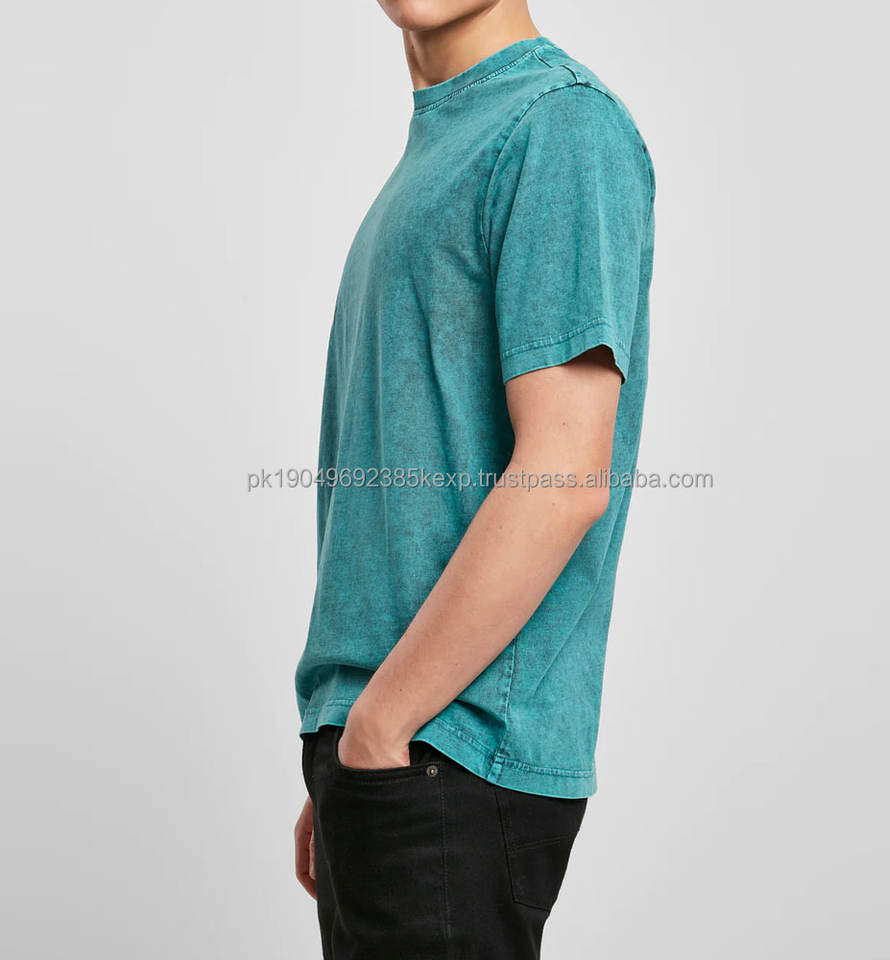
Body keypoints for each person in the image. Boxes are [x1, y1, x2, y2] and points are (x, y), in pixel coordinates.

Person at [293, 0, 655, 955]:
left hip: (449, 751)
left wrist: (382, 726)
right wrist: (350, 738)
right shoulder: (446, 142)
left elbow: (563, 476)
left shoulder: (558, 125)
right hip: (397, 756)